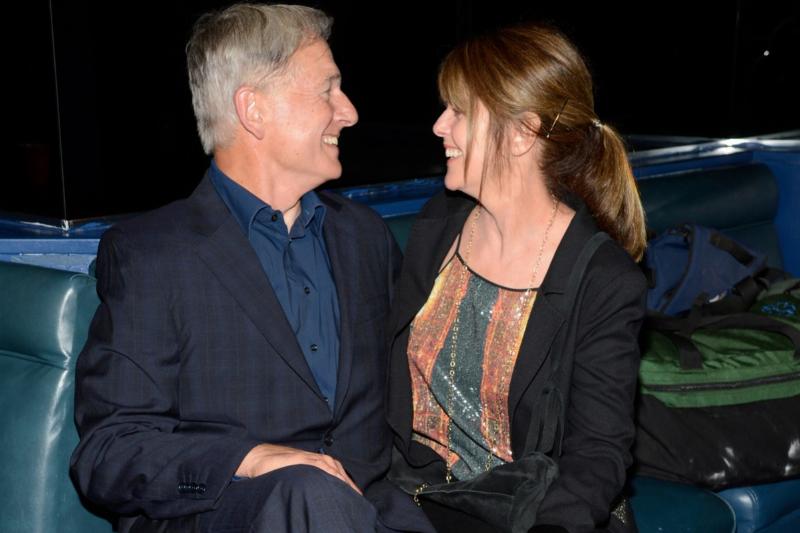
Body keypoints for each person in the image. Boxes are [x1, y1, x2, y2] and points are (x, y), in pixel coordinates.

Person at [69, 4, 434, 533]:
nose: (349, 111)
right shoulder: (153, 254)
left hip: (374, 515)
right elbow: (108, 453)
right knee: (310, 494)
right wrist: (250, 458)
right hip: (221, 517)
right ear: (254, 109)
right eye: (327, 90)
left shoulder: (364, 238)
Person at [386, 23, 647, 533]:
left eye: (459, 112)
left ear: (523, 133)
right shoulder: (440, 226)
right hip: (415, 500)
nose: (440, 126)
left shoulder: (602, 278)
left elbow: (596, 454)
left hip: (529, 514)